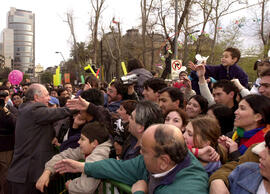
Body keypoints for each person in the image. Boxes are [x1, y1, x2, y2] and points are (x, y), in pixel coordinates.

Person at [54, 124, 209, 194]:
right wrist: (82, 167)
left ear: (163, 162)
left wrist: (139, 192)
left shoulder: (188, 188)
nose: (139, 153)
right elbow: (118, 167)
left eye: (144, 151)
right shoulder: (155, 160)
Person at [7, 84, 74, 194]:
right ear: (36, 98)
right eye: (47, 95)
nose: (49, 98)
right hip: (28, 177)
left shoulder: (26, 109)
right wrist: (81, 105)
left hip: (24, 175)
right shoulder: (33, 110)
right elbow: (58, 112)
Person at [36, 121, 112, 194]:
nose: (78, 142)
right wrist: (48, 171)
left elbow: (86, 187)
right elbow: (65, 155)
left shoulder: (99, 155)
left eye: (82, 139)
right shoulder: (89, 149)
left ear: (94, 143)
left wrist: (71, 185)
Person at [218, 94, 270, 161]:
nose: (235, 112)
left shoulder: (264, 144)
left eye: (242, 108)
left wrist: (234, 153)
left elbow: (248, 169)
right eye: (237, 108)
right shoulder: (233, 135)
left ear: (257, 117)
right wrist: (222, 149)